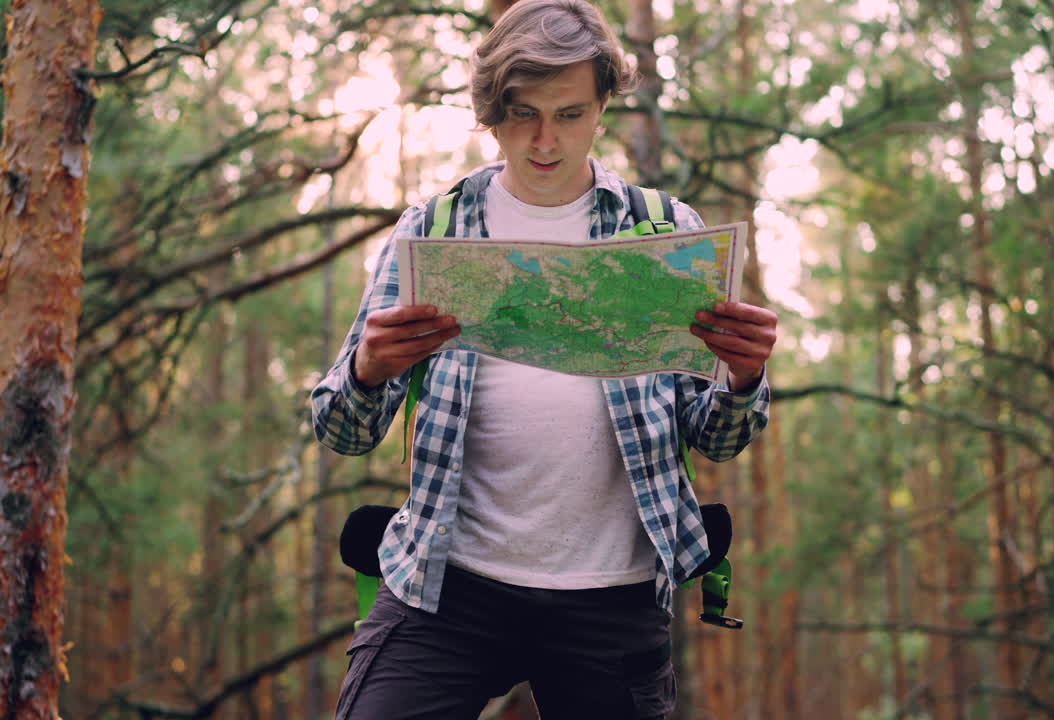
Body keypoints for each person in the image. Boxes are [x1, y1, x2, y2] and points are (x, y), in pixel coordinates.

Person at [311, 1, 776, 717]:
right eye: (523, 113)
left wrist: (744, 379)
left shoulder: (662, 232)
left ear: (602, 108)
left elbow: (717, 437)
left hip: (612, 599)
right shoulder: (434, 231)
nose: (546, 140)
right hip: (446, 585)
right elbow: (341, 431)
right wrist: (369, 370)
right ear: (491, 111)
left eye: (570, 113)